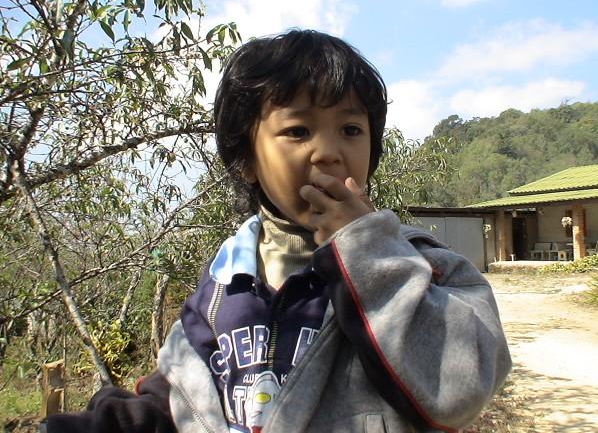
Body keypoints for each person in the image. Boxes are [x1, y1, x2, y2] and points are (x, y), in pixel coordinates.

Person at [44, 29, 511, 433]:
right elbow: (187, 391)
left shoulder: (421, 264)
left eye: (351, 129)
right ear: (247, 161)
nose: (328, 152)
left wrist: (366, 253)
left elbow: (460, 388)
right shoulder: (226, 281)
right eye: (298, 131)